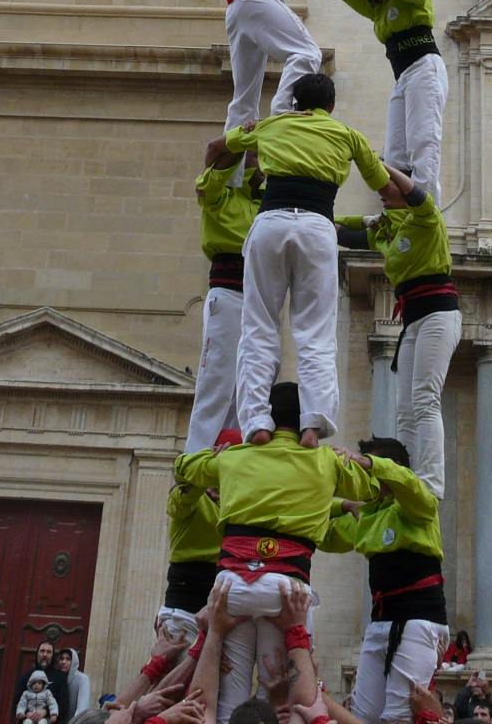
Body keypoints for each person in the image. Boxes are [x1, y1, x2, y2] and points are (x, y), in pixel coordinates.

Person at [173, 381, 379, 724]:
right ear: (308, 421)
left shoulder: (236, 456)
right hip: (286, 590)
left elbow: (182, 468)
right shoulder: (326, 461)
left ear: (264, 416)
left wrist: (215, 457)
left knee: (228, 703)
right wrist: (353, 463)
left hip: (232, 587)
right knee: (285, 702)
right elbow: (372, 488)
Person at [204, 73, 393, 445]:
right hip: (317, 226)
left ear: (295, 102)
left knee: (258, 326)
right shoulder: (347, 134)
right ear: (331, 106)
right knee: (315, 331)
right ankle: (312, 423)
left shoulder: (273, 125)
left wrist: (246, 139)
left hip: (270, 223)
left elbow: (214, 148)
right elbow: (383, 184)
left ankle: (257, 421)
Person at [336, 164, 459, 498]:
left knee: (425, 397)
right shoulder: (385, 230)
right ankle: (403, 474)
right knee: (404, 407)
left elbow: (418, 196)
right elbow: (339, 230)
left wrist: (383, 165)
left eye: (386, 184)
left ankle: (430, 483)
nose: (379, 188)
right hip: (412, 319)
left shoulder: (426, 218)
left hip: (438, 314)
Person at [323, 437, 447, 724]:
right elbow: (321, 533)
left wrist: (369, 463)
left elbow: (410, 485)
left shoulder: (417, 507)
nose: (365, 478)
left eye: (368, 471)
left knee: (398, 717)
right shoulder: (368, 515)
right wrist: (343, 505)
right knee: (364, 715)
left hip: (418, 620)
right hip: (380, 622)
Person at [321, 0, 445, 203]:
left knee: (423, 141)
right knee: (395, 151)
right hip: (403, 76)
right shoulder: (376, 8)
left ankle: (427, 209)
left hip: (424, 68)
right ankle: (399, 210)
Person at [222, 0, 363, 132]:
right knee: (308, 54)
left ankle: (231, 152)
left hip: (240, 4)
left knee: (245, 97)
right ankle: (282, 111)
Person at [187, 155, 260, 453]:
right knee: (216, 381)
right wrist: (239, 141)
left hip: (258, 301)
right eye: (256, 156)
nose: (263, 164)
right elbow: (214, 161)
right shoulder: (221, 196)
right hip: (229, 295)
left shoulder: (264, 204)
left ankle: (234, 452)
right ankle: (196, 456)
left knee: (248, 386)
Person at [162, 429, 237, 643]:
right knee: (177, 656)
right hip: (186, 592)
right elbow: (180, 503)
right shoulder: (190, 494)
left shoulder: (237, 501)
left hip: (224, 593)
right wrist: (206, 469)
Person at [12, 643, 57, 708]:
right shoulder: (26, 676)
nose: (45, 654)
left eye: (49, 652)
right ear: (37, 654)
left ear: (53, 656)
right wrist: (28, 712)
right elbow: (16, 703)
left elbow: (62, 705)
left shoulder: (60, 677)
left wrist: (45, 711)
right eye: (42, 651)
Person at [50, 649, 90, 721]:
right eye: (62, 659)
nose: (64, 662)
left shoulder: (83, 679)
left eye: (68, 659)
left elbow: (82, 707)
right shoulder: (55, 677)